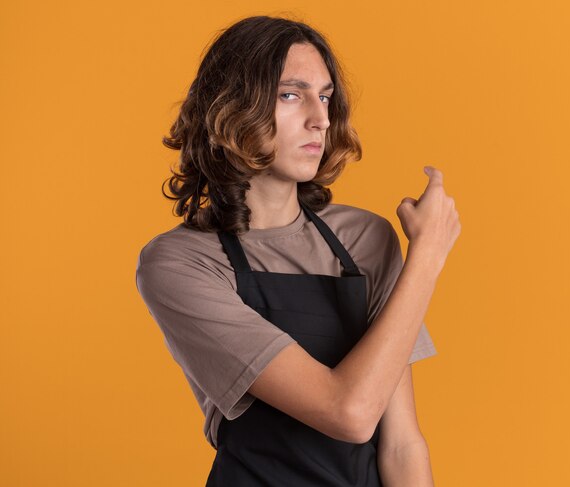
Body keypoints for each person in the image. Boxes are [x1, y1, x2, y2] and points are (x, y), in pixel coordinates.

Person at [135, 15, 461, 487]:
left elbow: (401, 444)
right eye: (291, 94)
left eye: (325, 96)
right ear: (232, 108)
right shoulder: (181, 264)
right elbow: (347, 412)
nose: (321, 118)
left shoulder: (365, 239)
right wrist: (427, 257)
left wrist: (418, 258)